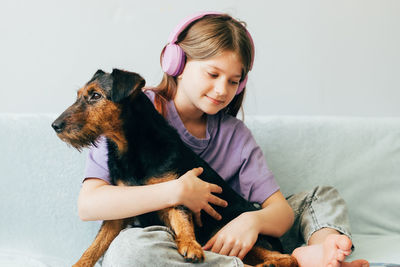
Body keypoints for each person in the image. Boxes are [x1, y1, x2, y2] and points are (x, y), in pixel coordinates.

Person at [79, 12, 369, 267]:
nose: (222, 90)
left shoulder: (235, 135)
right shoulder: (129, 108)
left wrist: (250, 222)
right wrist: (177, 192)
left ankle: (321, 252)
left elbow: (280, 213)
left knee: (320, 196)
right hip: (169, 237)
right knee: (130, 254)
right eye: (213, 73)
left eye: (233, 81)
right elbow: (89, 205)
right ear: (176, 63)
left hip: (236, 227)